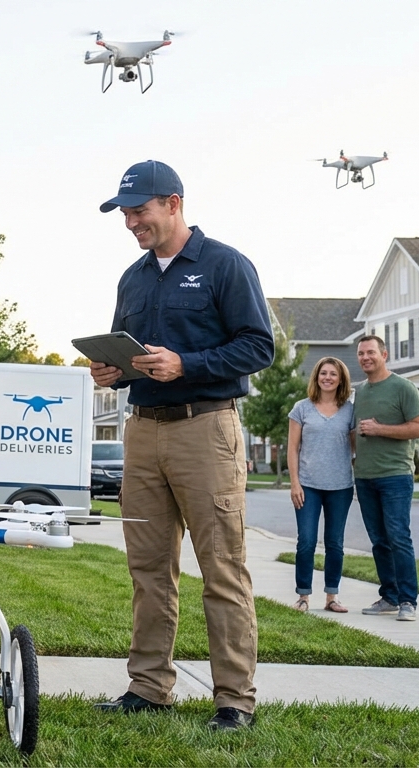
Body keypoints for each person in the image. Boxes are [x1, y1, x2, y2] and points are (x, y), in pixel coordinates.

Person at [89, 160, 274, 732]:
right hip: (142, 432)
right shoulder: (133, 278)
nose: (130, 222)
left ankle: (234, 700)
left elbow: (258, 347)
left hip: (206, 428)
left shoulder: (225, 265)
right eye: (124, 212)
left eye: (138, 210)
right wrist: (111, 371)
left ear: (173, 203)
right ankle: (149, 687)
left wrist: (185, 364)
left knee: (222, 567)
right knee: (148, 568)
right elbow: (131, 353)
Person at [352, 335, 419, 621]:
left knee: (398, 537)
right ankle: (389, 596)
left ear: (385, 354)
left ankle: (408, 601)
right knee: (379, 540)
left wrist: (380, 429)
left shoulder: (403, 387)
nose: (365, 358)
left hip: (395, 475)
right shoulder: (359, 392)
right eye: (361, 353)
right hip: (365, 476)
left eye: (371, 352)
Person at [287, 357, 356, 613]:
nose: (327, 377)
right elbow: (292, 449)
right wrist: (295, 483)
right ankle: (303, 596)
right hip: (308, 486)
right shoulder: (301, 409)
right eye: (323, 373)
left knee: (335, 543)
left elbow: (354, 447)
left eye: (333, 374)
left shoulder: (350, 410)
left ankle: (332, 597)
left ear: (341, 379)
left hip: (340, 486)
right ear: (316, 377)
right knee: (306, 541)